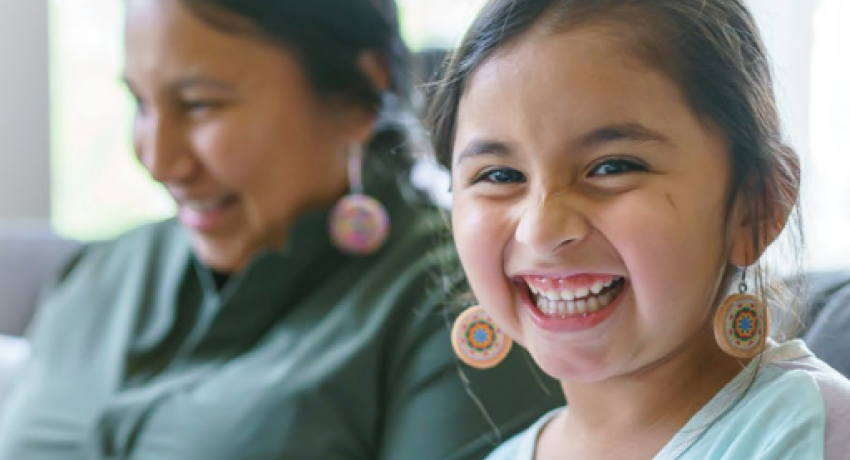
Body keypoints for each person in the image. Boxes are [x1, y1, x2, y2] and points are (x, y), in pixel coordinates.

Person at [0, 0, 564, 458]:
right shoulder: (101, 275)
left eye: (199, 106)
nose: (157, 158)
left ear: (355, 96)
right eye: (141, 104)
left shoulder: (460, 312)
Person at [427, 0, 850, 458]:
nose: (542, 230)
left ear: (757, 205)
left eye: (612, 167)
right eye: (500, 176)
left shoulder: (810, 433)